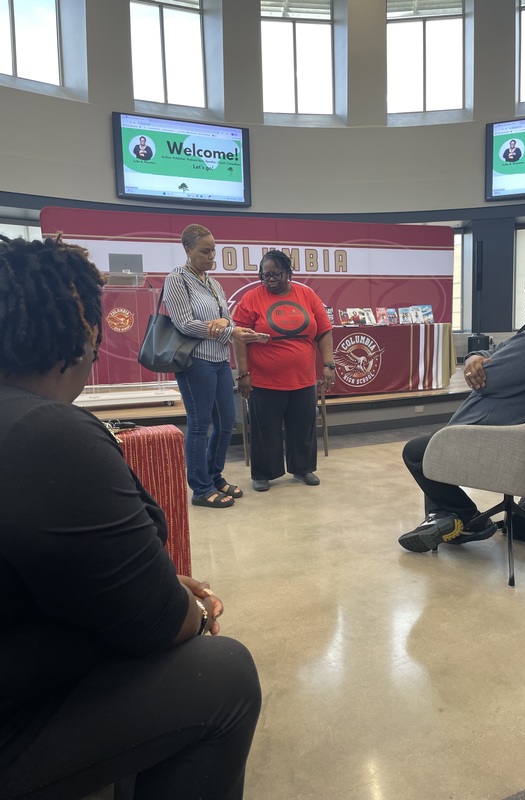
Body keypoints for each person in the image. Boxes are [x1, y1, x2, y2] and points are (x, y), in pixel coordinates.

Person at [0, 235, 261, 800]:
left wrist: (153, 582)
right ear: (83, 334)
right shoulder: (49, 435)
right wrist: (182, 600)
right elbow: (166, 624)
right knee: (223, 672)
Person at [398, 267, 525, 553]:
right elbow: (496, 351)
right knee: (437, 442)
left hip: (505, 444)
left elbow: (486, 381)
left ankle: (467, 519)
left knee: (419, 451)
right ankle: (446, 518)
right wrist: (477, 355)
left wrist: (481, 363)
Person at [164, 224, 261, 508]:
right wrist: (224, 329)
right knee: (199, 425)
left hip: (220, 361)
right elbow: (184, 323)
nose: (211, 256)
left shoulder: (213, 283)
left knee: (226, 423)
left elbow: (227, 319)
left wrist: (226, 324)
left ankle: (215, 476)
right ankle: (200, 488)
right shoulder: (177, 279)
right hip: (196, 362)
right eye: (205, 251)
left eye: (213, 251)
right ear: (187, 251)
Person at [232, 249, 335, 492]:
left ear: (288, 272)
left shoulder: (307, 294)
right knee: (264, 429)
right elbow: (239, 338)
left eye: (276, 274)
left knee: (303, 427)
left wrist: (328, 365)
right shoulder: (251, 299)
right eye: (264, 275)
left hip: (303, 379)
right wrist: (244, 373)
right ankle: (263, 474)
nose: (270, 280)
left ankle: (302, 469)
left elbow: (324, 330)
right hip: (265, 380)